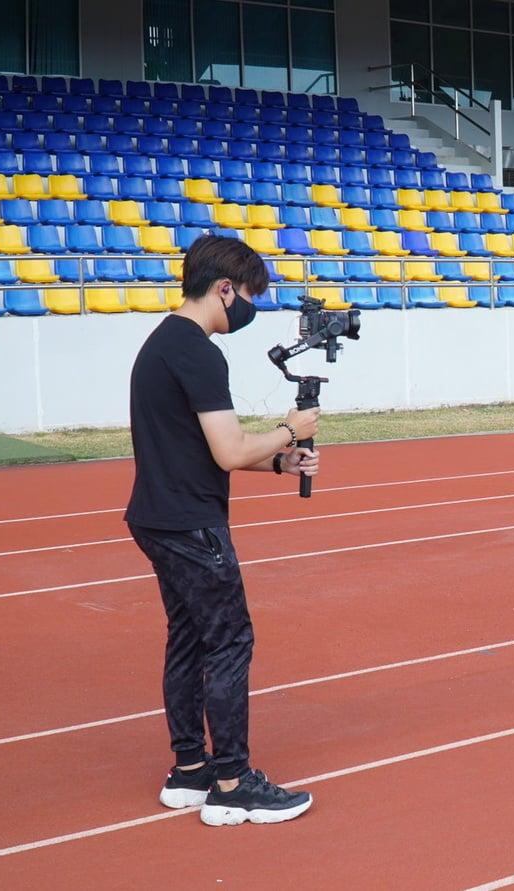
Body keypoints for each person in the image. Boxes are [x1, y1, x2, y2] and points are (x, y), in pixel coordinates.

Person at [125, 235, 321, 825]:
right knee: (230, 643)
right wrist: (292, 430)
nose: (249, 309)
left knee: (188, 638)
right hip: (192, 526)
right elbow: (230, 450)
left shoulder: (163, 343)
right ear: (225, 289)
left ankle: (190, 769)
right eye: (249, 297)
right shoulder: (198, 353)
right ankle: (233, 784)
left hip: (158, 517)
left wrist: (280, 461)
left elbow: (207, 450)